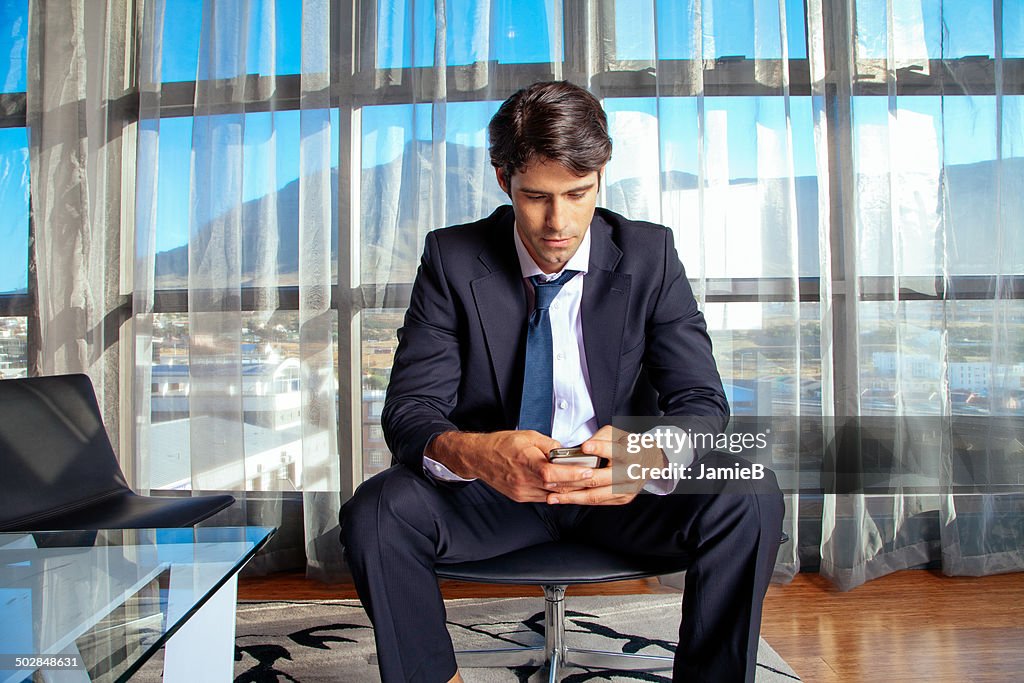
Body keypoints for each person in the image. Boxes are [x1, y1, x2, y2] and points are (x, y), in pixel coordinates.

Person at [340, 80, 784, 683]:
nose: (558, 223)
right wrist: (476, 453)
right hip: (494, 495)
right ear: (503, 181)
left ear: (601, 176)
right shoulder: (451, 257)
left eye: (577, 195)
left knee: (749, 487)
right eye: (536, 197)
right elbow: (411, 411)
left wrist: (644, 455)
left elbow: (702, 403)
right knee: (375, 512)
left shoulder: (649, 254)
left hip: (620, 494)